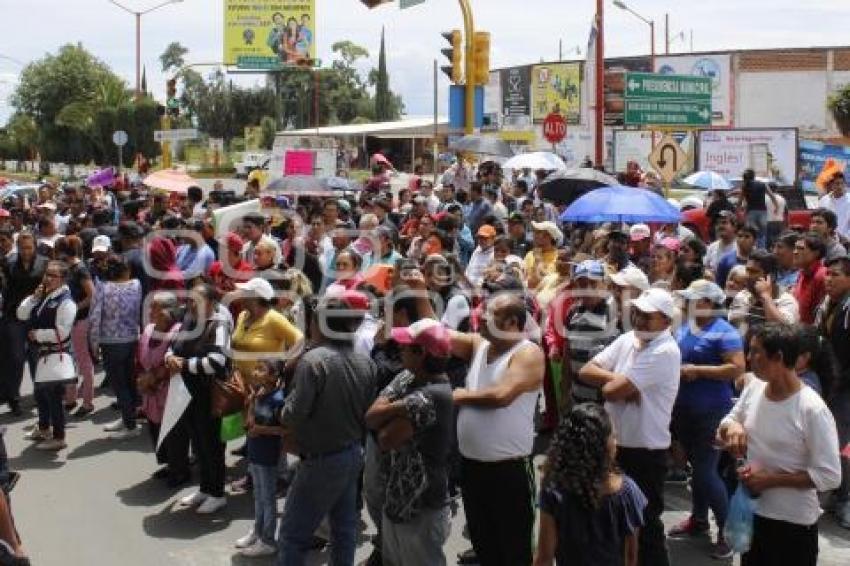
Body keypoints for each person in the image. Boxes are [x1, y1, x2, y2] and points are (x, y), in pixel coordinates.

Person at [405, 279, 545, 566]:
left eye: (490, 313)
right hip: (473, 469)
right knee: (485, 545)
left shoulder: (527, 354)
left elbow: (501, 395)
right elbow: (437, 333)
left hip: (510, 473)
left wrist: (458, 396)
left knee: (515, 550)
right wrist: (420, 292)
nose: (479, 315)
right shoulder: (480, 344)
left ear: (511, 323)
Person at [716, 322, 841, 566]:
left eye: (755, 352)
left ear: (779, 357)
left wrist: (770, 480)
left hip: (792, 526)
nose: (749, 358)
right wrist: (733, 428)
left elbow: (830, 476)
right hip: (753, 516)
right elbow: (727, 421)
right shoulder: (754, 387)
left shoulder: (811, 409)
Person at [580, 288, 681, 566]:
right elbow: (586, 370)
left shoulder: (665, 350)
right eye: (637, 312)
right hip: (616, 447)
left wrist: (617, 385)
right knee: (616, 523)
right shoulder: (628, 340)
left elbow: (611, 392)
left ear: (665, 321)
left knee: (645, 526)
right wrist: (623, 381)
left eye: (647, 315)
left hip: (645, 453)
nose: (639, 319)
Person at [277, 297, 378, 566]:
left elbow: (293, 414)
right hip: (353, 454)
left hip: (320, 460)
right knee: (343, 531)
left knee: (291, 536)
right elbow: (367, 413)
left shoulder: (313, 361)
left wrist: (280, 405)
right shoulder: (364, 362)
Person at [365, 322, 454, 566]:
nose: (399, 351)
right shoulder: (407, 378)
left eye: (405, 347)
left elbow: (385, 438)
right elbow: (372, 417)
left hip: (421, 505)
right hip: (397, 498)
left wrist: (392, 407)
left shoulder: (432, 396)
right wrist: (400, 408)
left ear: (421, 353)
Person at [668, 280, 745, 559]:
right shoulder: (687, 325)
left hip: (711, 411)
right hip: (685, 410)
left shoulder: (725, 333)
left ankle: (728, 532)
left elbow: (737, 368)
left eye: (693, 300)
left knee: (705, 471)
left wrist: (698, 370)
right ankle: (699, 520)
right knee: (696, 468)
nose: (687, 304)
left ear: (708, 304)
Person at [533, 403, 647, 566]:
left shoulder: (554, 490)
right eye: (614, 436)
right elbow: (631, 556)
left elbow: (544, 557)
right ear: (604, 447)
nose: (617, 441)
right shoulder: (628, 491)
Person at [166, 282, 232, 515]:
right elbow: (174, 347)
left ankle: (217, 493)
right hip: (188, 394)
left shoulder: (219, 325)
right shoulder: (189, 321)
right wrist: (170, 357)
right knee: (198, 443)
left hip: (208, 395)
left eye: (197, 300)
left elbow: (216, 362)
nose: (191, 304)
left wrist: (183, 364)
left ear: (212, 303)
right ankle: (204, 488)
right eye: (190, 300)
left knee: (212, 445)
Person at [18, 261, 77, 451]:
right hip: (40, 353)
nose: (48, 278)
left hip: (54, 353)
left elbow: (63, 333)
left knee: (53, 396)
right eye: (47, 274)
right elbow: (21, 314)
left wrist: (38, 335)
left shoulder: (66, 301)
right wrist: (32, 299)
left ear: (62, 278)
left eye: (53, 275)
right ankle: (44, 427)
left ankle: (59, 436)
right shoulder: (45, 295)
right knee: (41, 393)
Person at [235, 360, 286, 558]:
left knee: (268, 498)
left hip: (268, 455)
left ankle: (268, 540)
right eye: (255, 368)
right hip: (255, 453)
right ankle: (257, 531)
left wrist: (262, 430)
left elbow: (285, 429)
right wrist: (251, 403)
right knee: (258, 495)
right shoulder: (259, 394)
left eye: (261, 369)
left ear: (274, 376)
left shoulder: (278, 399)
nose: (255, 372)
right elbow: (250, 422)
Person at [89, 254, 143, 439]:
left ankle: (130, 425)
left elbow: (95, 317)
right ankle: (128, 418)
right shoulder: (136, 285)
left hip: (111, 342)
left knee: (120, 385)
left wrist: (94, 344)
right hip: (131, 339)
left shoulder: (103, 287)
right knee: (129, 382)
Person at [136, 292, 186, 487]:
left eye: (155, 307)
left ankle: (180, 470)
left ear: (168, 311)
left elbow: (174, 361)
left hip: (169, 390)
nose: (151, 311)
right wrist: (141, 379)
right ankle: (169, 464)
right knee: (156, 429)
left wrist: (154, 378)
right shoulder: (148, 329)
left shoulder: (178, 331)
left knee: (174, 432)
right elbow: (139, 356)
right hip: (150, 391)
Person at [815, 254, 850, 528]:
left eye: (835, 274)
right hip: (831, 384)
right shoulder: (828, 305)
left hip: (845, 388)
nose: (828, 279)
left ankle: (845, 499)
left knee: (841, 445)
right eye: (827, 274)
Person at [0, 232, 47, 415]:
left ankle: (40, 394)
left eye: (29, 247)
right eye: (22, 248)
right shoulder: (9, 264)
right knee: (16, 358)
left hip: (36, 316)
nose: (26, 251)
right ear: (17, 247)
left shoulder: (44, 263)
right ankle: (14, 397)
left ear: (34, 246)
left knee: (37, 356)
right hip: (14, 317)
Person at [562, 260, 617, 405]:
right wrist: (564, 391)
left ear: (604, 284)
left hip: (604, 402)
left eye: (593, 284)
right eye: (582, 284)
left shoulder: (615, 313)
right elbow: (567, 354)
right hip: (577, 397)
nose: (587, 289)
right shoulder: (573, 312)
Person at [230, 277, 303, 388]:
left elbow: (300, 340)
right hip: (239, 386)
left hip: (262, 389)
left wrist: (283, 367)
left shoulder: (274, 319)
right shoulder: (242, 316)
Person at [729, 250, 800, 335]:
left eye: (754, 272)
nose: (747, 276)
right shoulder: (742, 296)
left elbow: (781, 333)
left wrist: (765, 297)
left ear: (771, 276)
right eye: (747, 270)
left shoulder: (786, 301)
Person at [793, 232, 828, 324]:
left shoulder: (822, 276)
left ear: (816, 253)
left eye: (801, 248)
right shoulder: (801, 273)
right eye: (795, 248)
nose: (795, 252)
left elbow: (821, 315)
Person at [715, 224, 758, 288]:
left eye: (747, 236)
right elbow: (719, 286)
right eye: (740, 236)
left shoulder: (760, 261)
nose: (742, 240)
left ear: (755, 241)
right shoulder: (726, 260)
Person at [525, 221, 562, 289]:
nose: (534, 235)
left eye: (538, 232)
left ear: (549, 236)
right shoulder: (530, 255)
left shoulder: (559, 257)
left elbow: (541, 282)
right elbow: (527, 281)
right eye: (535, 232)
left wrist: (538, 260)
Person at [740, 169, 771, 248]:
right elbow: (771, 195)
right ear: (754, 176)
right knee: (762, 233)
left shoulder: (745, 186)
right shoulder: (762, 184)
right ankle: (762, 250)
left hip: (751, 212)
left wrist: (737, 209)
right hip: (762, 211)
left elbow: (740, 200)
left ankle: (751, 249)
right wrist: (776, 206)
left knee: (751, 232)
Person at [818, 169, 850, 239]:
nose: (840, 186)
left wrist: (845, 238)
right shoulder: (824, 200)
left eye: (842, 183)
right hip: (826, 239)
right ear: (831, 185)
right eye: (837, 183)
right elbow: (819, 221)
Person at [704, 211, 737, 276]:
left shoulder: (739, 247)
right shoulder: (712, 247)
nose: (720, 226)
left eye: (724, 222)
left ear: (734, 227)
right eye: (717, 223)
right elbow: (706, 267)